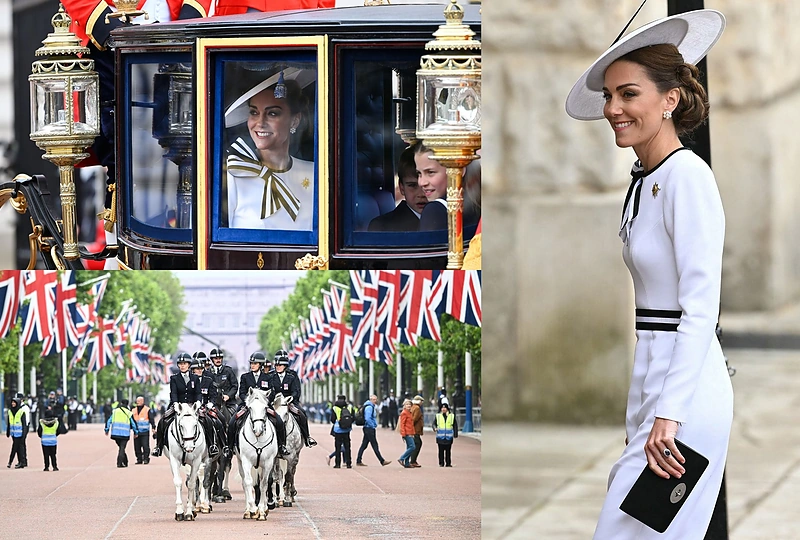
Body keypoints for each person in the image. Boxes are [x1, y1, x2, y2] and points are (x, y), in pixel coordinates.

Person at [565, 9, 733, 539]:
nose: (613, 108)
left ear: (670, 100)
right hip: (656, 381)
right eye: (609, 95)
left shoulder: (689, 177)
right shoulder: (644, 178)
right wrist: (641, 411)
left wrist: (670, 413)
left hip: (686, 393)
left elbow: (700, 308)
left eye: (628, 94)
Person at [225, 75, 314, 231]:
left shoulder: (313, 174)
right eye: (254, 112)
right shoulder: (233, 172)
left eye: (272, 113)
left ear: (294, 120)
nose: (260, 123)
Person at [229, 351, 288, 456]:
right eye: (251, 363)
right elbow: (241, 393)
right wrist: (248, 401)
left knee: (279, 421)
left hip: (264, 406)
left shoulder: (268, 377)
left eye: (255, 363)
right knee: (233, 421)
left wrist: (265, 402)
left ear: (260, 365)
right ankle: (230, 447)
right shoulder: (245, 377)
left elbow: (272, 393)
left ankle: (281, 446)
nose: (252, 365)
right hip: (248, 405)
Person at [152, 353, 201, 457]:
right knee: (163, 421)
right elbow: (173, 393)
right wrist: (175, 403)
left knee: (208, 421)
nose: (182, 366)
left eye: (185, 363)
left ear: (189, 365)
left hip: (192, 406)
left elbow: (198, 393)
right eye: (180, 364)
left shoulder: (195, 378)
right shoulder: (174, 378)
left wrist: (198, 402)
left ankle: (211, 445)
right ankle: (158, 447)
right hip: (178, 405)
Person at [368, 146, 428, 232]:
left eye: (426, 185)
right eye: (412, 185)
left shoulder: (445, 219)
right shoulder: (383, 227)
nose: (421, 194)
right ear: (401, 187)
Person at [266, 349, 317, 448]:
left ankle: (307, 437)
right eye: (276, 364)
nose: (277, 366)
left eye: (280, 364)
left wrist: (292, 398)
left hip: (290, 402)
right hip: (274, 403)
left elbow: (296, 390)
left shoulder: (292, 375)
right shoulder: (270, 376)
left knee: (302, 414)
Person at [190, 358, 226, 458]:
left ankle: (221, 446)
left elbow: (213, 395)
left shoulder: (208, 380)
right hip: (192, 407)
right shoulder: (189, 381)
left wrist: (211, 403)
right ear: (192, 370)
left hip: (206, 407)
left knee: (219, 421)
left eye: (201, 369)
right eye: (197, 369)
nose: (200, 371)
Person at [355, 395, 391, 467]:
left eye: (376, 399)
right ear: (370, 399)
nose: (375, 401)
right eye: (374, 399)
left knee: (364, 445)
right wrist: (373, 425)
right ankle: (382, 460)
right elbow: (368, 418)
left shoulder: (370, 406)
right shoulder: (369, 407)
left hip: (367, 428)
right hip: (369, 428)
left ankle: (358, 460)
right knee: (374, 445)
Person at [105, 398, 138, 468]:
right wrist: (136, 432)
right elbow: (133, 424)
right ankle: (119, 463)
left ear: (121, 403)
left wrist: (107, 430)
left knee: (121, 447)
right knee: (122, 448)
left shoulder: (115, 411)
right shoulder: (129, 413)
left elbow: (109, 421)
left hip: (115, 433)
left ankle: (125, 461)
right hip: (125, 433)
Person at [329, 394, 354, 469]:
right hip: (347, 429)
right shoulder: (349, 407)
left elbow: (332, 419)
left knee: (338, 447)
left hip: (338, 430)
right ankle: (348, 463)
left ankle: (337, 464)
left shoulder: (335, 408)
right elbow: (353, 417)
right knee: (347, 447)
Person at [38, 406, 66, 471]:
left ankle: (46, 467)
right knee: (53, 454)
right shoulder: (56, 422)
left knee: (46, 455)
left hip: (44, 441)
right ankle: (55, 467)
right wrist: (54, 435)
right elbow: (59, 431)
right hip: (53, 440)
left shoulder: (42, 422)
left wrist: (42, 436)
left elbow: (39, 431)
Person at [6, 394, 29, 469]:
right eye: (12, 402)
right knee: (18, 448)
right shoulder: (10, 411)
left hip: (20, 433)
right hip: (13, 433)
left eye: (14, 402)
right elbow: (9, 422)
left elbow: (24, 424)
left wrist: (24, 433)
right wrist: (8, 431)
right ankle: (21, 462)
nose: (13, 403)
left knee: (16, 447)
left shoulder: (22, 411)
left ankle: (11, 462)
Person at [432, 402, 458, 467]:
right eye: (442, 408)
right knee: (440, 451)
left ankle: (448, 463)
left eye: (445, 408)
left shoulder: (451, 416)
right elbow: (434, 424)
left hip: (449, 436)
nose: (443, 409)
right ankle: (441, 463)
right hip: (440, 436)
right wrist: (435, 428)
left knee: (448, 451)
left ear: (447, 409)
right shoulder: (438, 416)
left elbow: (455, 425)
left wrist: (455, 434)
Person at [131, 396, 155, 465]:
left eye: (139, 401)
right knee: (137, 447)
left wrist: (153, 427)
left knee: (145, 446)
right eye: (137, 401)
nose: (138, 402)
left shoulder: (147, 410)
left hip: (145, 431)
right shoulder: (133, 410)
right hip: (136, 432)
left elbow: (151, 419)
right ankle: (139, 459)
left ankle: (146, 458)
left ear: (143, 401)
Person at [397, 399, 415, 468]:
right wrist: (403, 434)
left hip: (410, 432)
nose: (408, 406)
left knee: (409, 447)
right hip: (407, 432)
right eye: (407, 404)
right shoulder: (404, 413)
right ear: (404, 405)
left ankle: (407, 463)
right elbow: (402, 424)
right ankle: (402, 458)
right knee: (412, 447)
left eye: (409, 404)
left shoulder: (409, 413)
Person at [408, 394, 425, 468]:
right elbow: (414, 419)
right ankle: (413, 460)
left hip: (413, 429)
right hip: (416, 429)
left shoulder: (412, 407)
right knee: (417, 444)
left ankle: (412, 460)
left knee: (415, 444)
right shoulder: (417, 408)